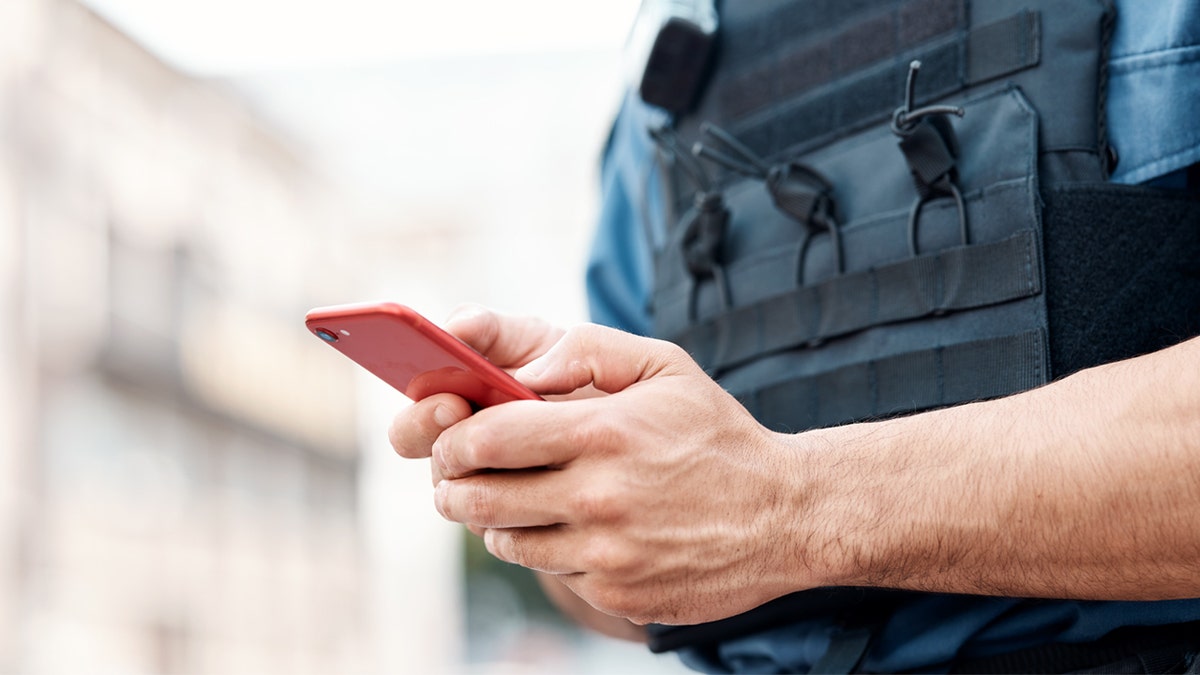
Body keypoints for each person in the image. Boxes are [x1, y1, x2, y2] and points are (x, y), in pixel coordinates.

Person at [391, 1, 1200, 672]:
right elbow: (634, 601)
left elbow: (754, 506)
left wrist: (788, 507)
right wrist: (567, 490)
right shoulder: (667, 94)